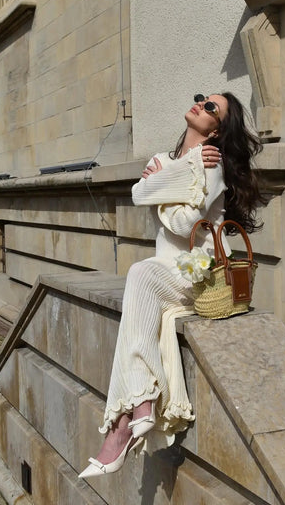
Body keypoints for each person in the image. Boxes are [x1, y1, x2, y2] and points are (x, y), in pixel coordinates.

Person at [78, 92, 263, 478]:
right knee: (142, 277)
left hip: (199, 275)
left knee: (140, 273)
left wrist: (166, 184)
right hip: (165, 271)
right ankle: (137, 409)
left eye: (211, 108)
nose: (201, 105)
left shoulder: (211, 164)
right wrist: (176, 176)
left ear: (217, 130)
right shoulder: (163, 159)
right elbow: (136, 194)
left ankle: (124, 424)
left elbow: (182, 224)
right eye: (201, 99)